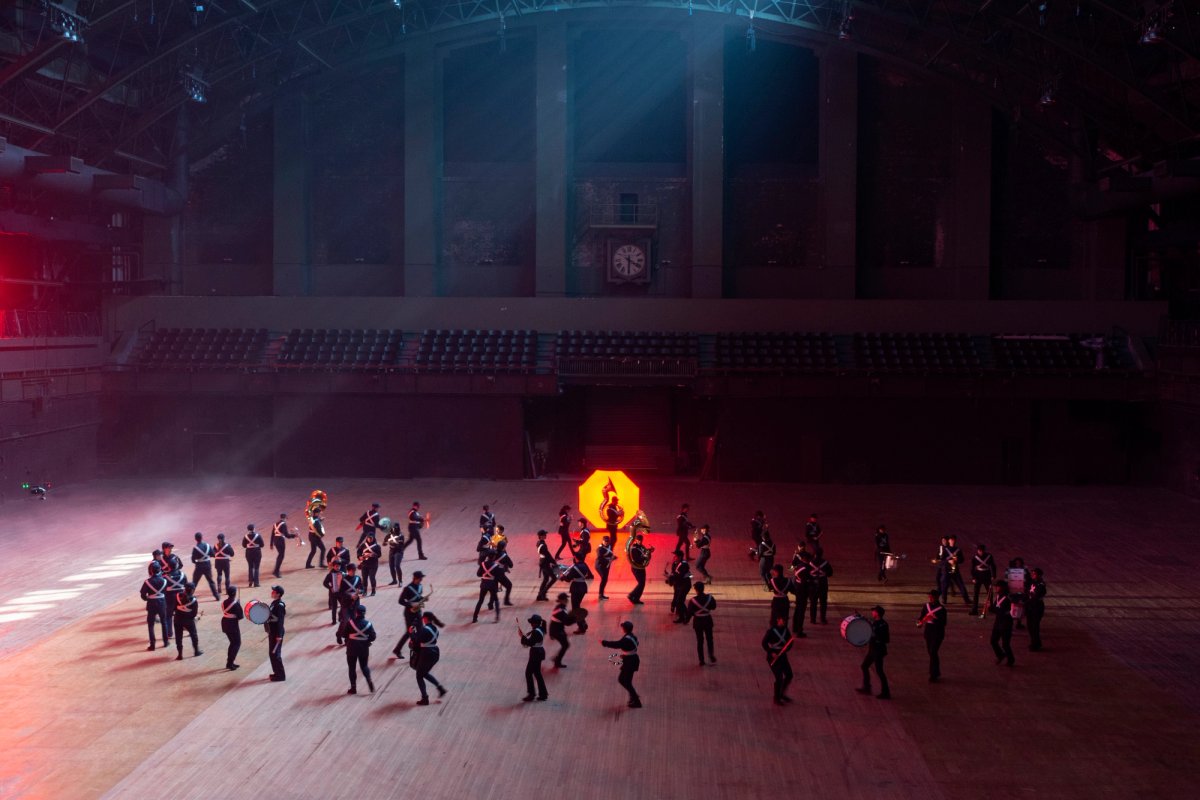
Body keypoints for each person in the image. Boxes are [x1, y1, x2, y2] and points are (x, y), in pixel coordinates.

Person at [601, 621, 641, 708]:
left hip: (630, 662)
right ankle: (633, 697)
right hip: (632, 659)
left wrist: (604, 643)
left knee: (622, 680)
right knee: (627, 681)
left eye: (623, 627)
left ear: (625, 629)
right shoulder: (632, 636)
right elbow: (634, 645)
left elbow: (617, 644)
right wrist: (626, 655)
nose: (622, 628)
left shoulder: (626, 638)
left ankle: (636, 700)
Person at [411, 611, 448, 705]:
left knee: (419, 676)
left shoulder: (425, 629)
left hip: (426, 653)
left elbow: (416, 641)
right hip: (435, 652)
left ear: (425, 619)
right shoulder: (435, 629)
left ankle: (425, 698)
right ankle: (440, 688)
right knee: (424, 673)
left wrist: (411, 633)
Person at [855, 606, 890, 700]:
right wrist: (860, 617)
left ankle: (886, 692)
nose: (872, 613)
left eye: (874, 612)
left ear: (877, 613)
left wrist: (875, 635)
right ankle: (867, 687)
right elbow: (868, 622)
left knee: (879, 671)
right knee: (864, 666)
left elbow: (886, 639)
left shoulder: (883, 624)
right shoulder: (875, 622)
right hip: (873, 650)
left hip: (878, 650)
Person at [340, 604, 376, 694]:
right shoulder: (368, 624)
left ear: (356, 613)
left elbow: (344, 634)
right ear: (364, 613)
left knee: (352, 668)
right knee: (364, 666)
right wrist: (367, 641)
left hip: (351, 648)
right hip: (363, 648)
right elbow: (373, 636)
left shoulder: (350, 623)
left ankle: (353, 688)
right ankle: (369, 680)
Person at [392, 571, 426, 658]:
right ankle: (398, 650)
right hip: (409, 613)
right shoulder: (408, 588)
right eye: (420, 578)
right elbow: (400, 601)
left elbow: (419, 597)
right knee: (409, 633)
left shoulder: (420, 586)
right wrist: (411, 605)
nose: (421, 579)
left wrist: (423, 599)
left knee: (420, 631)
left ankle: (417, 651)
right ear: (416, 578)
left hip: (417, 612)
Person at [763, 616, 794, 705]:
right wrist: (771, 652)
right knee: (779, 677)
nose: (784, 622)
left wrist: (786, 649)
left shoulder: (785, 630)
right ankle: (776, 698)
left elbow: (790, 642)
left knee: (789, 675)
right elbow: (764, 643)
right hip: (773, 658)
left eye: (785, 620)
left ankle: (781, 694)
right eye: (782, 620)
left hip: (782, 656)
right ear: (778, 620)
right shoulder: (771, 631)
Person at [917, 589, 947, 682]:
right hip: (928, 632)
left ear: (936, 597)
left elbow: (944, 623)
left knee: (933, 652)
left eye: (932, 596)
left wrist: (934, 619)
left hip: (937, 633)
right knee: (931, 653)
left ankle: (933, 674)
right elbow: (921, 617)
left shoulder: (942, 609)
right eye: (929, 596)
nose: (930, 598)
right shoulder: (926, 606)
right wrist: (919, 622)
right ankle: (936, 672)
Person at [685, 582, 716, 666]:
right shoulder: (710, 597)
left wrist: (686, 621)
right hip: (708, 620)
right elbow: (713, 607)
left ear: (696, 590)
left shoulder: (693, 600)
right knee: (710, 639)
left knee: (700, 641)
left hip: (698, 622)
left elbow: (689, 613)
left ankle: (701, 660)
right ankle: (711, 655)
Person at [140, 562, 169, 651]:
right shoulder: (164, 580)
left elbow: (143, 594)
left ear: (151, 571)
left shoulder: (147, 582)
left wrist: (147, 599)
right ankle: (165, 642)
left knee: (151, 624)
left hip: (152, 603)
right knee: (164, 622)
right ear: (159, 570)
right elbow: (166, 591)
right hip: (162, 602)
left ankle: (152, 645)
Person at [561, 554, 593, 633]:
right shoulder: (585, 565)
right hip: (583, 587)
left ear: (576, 558)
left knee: (575, 609)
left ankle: (581, 627)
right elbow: (590, 576)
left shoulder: (575, 568)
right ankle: (583, 622)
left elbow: (568, 579)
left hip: (576, 588)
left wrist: (562, 577)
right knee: (577, 606)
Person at [520, 614, 548, 702]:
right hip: (539, 652)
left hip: (535, 653)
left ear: (535, 623)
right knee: (537, 673)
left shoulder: (536, 632)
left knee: (528, 673)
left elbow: (529, 643)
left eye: (532, 622)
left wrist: (522, 637)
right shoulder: (541, 629)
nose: (531, 624)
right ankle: (543, 694)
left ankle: (531, 694)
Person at [938, 534, 970, 606]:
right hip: (946, 570)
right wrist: (948, 561)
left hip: (955, 569)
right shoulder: (945, 550)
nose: (953, 541)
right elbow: (941, 560)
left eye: (954, 540)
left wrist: (957, 560)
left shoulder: (958, 550)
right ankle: (944, 599)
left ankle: (966, 599)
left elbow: (962, 560)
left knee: (961, 584)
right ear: (949, 541)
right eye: (951, 540)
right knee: (945, 585)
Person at [173, 581, 202, 660]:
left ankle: (180, 655)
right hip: (188, 621)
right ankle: (196, 651)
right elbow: (194, 613)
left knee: (178, 637)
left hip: (177, 619)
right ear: (193, 590)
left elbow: (174, 608)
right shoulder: (194, 600)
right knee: (193, 635)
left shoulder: (177, 596)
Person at [990, 579, 1016, 667]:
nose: (996, 588)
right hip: (998, 622)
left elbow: (1001, 611)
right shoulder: (998, 596)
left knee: (1005, 644)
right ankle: (1000, 655)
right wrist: (991, 607)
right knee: (993, 641)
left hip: (1006, 623)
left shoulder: (1007, 598)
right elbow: (995, 607)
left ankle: (1011, 659)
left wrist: (992, 609)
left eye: (998, 586)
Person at [473, 550, 502, 624]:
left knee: (480, 601)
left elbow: (478, 574)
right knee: (496, 600)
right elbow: (498, 577)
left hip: (484, 584)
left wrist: (485, 575)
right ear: (494, 556)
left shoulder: (482, 564)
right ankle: (497, 617)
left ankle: (474, 617)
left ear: (488, 556)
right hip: (492, 584)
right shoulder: (496, 566)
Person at [190, 531, 220, 601]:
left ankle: (189, 596)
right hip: (207, 565)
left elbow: (193, 560)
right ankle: (216, 596)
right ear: (202, 537)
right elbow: (213, 554)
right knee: (211, 581)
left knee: (194, 582)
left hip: (199, 566)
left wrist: (197, 562)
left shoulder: (195, 548)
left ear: (195, 539)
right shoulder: (207, 545)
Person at [970, 543, 997, 616]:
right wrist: (973, 577)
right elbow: (972, 568)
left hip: (987, 575)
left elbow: (993, 566)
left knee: (989, 593)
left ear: (984, 550)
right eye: (979, 551)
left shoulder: (989, 556)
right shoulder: (975, 557)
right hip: (978, 576)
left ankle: (991, 607)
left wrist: (993, 575)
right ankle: (974, 609)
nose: (980, 552)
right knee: (976, 594)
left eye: (981, 551)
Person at [220, 584, 243, 670]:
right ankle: (230, 663)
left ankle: (230, 662)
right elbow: (240, 617)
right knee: (237, 643)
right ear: (234, 593)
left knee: (232, 643)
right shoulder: (235, 604)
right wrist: (239, 606)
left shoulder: (224, 602)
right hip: (232, 625)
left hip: (225, 623)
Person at [266, 585, 287, 681]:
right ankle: (276, 673)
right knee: (272, 654)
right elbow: (273, 617)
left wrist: (279, 635)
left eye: (273, 591)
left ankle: (281, 676)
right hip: (272, 632)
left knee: (276, 654)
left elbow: (280, 621)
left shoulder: (279, 606)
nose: (272, 592)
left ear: (278, 594)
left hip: (277, 634)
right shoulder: (274, 603)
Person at [789, 552, 811, 638]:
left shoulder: (799, 566)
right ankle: (799, 630)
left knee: (797, 610)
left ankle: (795, 627)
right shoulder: (807, 568)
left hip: (798, 589)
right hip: (803, 591)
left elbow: (792, 572)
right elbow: (807, 581)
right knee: (801, 612)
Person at [548, 593, 573, 668]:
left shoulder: (560, 607)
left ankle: (557, 659)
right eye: (565, 599)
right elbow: (567, 622)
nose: (567, 600)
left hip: (557, 629)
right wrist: (575, 619)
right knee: (565, 645)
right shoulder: (560, 610)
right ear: (562, 600)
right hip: (557, 631)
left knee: (565, 645)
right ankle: (557, 661)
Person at [627, 533, 653, 605]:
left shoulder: (640, 546)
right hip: (636, 568)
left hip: (641, 567)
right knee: (641, 583)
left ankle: (636, 598)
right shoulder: (634, 548)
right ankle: (632, 595)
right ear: (636, 540)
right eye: (638, 540)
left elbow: (644, 552)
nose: (640, 542)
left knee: (642, 583)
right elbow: (636, 559)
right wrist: (644, 557)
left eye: (641, 540)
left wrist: (649, 550)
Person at [808, 551, 833, 625]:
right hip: (823, 583)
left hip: (813, 584)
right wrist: (824, 573)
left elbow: (807, 573)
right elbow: (830, 573)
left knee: (813, 603)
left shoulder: (810, 563)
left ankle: (813, 619)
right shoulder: (825, 563)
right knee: (823, 603)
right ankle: (823, 619)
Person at [1026, 568, 1047, 651]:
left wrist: (1026, 601)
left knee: (1035, 626)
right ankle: (1035, 642)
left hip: (1037, 607)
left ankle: (1035, 644)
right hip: (1030, 606)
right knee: (1030, 625)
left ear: (1039, 575)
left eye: (1034, 574)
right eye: (1032, 574)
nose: (1032, 575)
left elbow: (1036, 596)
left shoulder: (1041, 585)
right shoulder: (1032, 582)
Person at [270, 513, 296, 579]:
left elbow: (272, 534)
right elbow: (287, 535)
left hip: (275, 540)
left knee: (280, 555)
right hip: (280, 541)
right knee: (281, 555)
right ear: (285, 518)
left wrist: (271, 544)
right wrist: (294, 535)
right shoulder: (283, 524)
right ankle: (276, 571)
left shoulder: (275, 524)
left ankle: (276, 570)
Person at [668, 550, 692, 623]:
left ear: (680, 557)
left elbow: (680, 576)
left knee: (680, 601)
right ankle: (683, 615)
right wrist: (670, 578)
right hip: (678, 585)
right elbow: (674, 573)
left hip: (685, 585)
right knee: (679, 600)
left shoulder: (684, 565)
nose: (674, 557)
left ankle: (684, 616)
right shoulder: (675, 563)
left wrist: (671, 578)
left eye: (676, 556)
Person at [323, 561, 346, 635]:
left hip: (340, 593)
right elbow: (325, 583)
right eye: (336, 566)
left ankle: (340, 616)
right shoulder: (330, 575)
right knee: (334, 607)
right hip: (333, 594)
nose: (338, 567)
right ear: (333, 566)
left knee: (343, 606)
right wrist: (330, 587)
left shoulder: (342, 573)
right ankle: (334, 620)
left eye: (339, 566)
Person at [536, 530, 557, 601]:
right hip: (545, 563)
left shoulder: (539, 543)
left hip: (542, 562)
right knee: (553, 578)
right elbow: (547, 555)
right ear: (541, 536)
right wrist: (553, 562)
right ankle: (543, 593)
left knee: (546, 579)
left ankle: (540, 595)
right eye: (545, 534)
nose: (546, 535)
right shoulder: (543, 545)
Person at [595, 535, 616, 600]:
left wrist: (613, 557)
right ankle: (600, 595)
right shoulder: (600, 549)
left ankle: (601, 594)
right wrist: (609, 559)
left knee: (605, 580)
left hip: (607, 565)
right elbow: (600, 558)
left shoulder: (610, 546)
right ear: (602, 541)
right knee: (604, 579)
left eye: (607, 541)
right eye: (605, 541)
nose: (606, 542)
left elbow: (610, 554)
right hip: (600, 565)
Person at [494, 539, 514, 606]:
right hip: (499, 574)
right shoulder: (504, 555)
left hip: (491, 573)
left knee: (494, 589)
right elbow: (511, 565)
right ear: (504, 547)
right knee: (509, 585)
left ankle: (491, 603)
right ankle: (506, 601)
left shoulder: (493, 552)